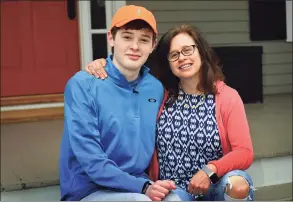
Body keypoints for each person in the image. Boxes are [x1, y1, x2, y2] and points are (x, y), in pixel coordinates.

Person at [84, 24, 255, 201]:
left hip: (214, 182)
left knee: (236, 184)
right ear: (169, 63)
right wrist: (104, 64)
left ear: (202, 53)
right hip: (174, 188)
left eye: (187, 50)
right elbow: (127, 78)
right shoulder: (159, 94)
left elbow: (244, 152)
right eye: (174, 55)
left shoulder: (226, 97)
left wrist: (210, 170)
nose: (182, 58)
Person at [59, 5, 180, 201]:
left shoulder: (155, 88)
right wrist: (144, 187)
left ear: (153, 45)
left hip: (138, 182)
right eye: (127, 37)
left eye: (143, 40)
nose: (135, 46)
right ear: (111, 38)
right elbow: (92, 162)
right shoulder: (83, 85)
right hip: (89, 188)